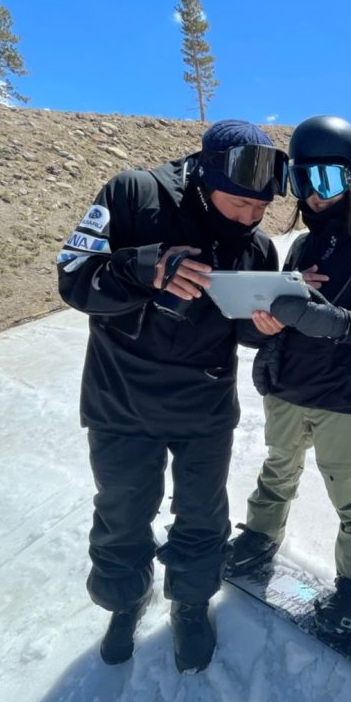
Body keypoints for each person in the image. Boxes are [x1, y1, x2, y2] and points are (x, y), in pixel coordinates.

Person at [56, 120, 287, 673]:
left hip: (203, 408)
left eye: (260, 210)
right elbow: (72, 276)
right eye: (238, 205)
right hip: (121, 401)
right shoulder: (133, 193)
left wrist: (269, 324)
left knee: (203, 515)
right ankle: (124, 599)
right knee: (122, 511)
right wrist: (145, 267)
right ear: (206, 178)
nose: (249, 219)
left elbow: (245, 331)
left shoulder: (257, 248)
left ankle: (189, 602)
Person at [226, 116, 351, 641]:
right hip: (288, 392)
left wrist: (325, 318)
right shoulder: (301, 247)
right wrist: (263, 323)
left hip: (344, 401)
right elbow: (277, 317)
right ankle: (260, 538)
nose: (311, 196)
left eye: (325, 181)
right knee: (276, 474)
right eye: (300, 181)